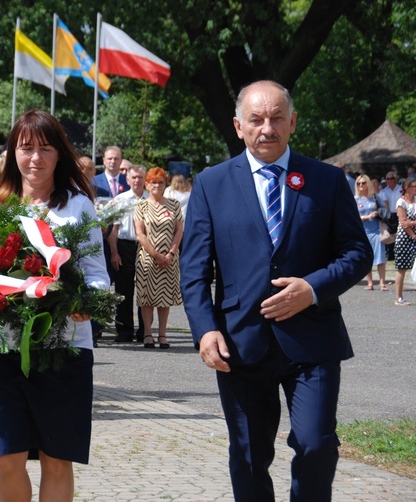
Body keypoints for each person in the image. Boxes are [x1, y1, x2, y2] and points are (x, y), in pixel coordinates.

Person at [180, 80, 372, 501]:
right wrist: (204, 329)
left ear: (293, 122)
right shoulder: (211, 184)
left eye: (276, 118)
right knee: (249, 455)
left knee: (316, 444)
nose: (267, 128)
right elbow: (193, 269)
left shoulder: (327, 180)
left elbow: (358, 253)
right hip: (240, 344)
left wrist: (313, 287)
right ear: (238, 126)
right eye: (256, 119)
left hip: (313, 341)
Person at [0, 109, 108, 501]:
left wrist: (86, 301)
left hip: (65, 348)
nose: (35, 158)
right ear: (13, 152)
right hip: (5, 348)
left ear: (59, 154)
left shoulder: (78, 207)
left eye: (45, 149)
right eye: (26, 147)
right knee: (6, 457)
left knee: (56, 457)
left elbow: (97, 272)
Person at [134, 167, 183, 349]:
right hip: (148, 258)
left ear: (165, 184)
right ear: (147, 184)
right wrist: (156, 255)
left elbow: (179, 231)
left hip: (170, 257)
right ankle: (147, 333)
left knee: (165, 297)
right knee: (147, 297)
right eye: (153, 182)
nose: (157, 185)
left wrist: (170, 254)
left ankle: (162, 334)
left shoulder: (174, 204)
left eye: (160, 182)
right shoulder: (141, 206)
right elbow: (140, 234)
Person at [108, 164, 148, 343]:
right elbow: (113, 231)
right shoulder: (120, 199)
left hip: (146, 247)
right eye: (134, 177)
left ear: (145, 179)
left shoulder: (152, 199)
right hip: (124, 246)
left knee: (146, 291)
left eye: (140, 177)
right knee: (123, 291)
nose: (137, 180)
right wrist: (114, 253)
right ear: (128, 179)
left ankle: (145, 332)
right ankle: (124, 332)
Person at [354, 175, 388, 291]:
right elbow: (353, 217)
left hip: (376, 230)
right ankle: (370, 283)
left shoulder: (374, 197)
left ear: (368, 183)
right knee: (366, 257)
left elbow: (384, 209)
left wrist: (378, 213)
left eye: (363, 183)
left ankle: (382, 283)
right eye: (359, 183)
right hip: (362, 232)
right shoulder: (355, 199)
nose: (361, 185)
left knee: (380, 258)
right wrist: (367, 216)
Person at [393, 178, 416, 306]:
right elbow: (403, 223)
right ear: (407, 188)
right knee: (402, 267)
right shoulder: (401, 202)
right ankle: (399, 297)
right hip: (404, 237)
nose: (415, 188)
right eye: (413, 186)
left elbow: (408, 222)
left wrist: (411, 222)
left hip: (413, 234)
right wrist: (413, 236)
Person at [381, 171, 402, 260]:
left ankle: (400, 254)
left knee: (400, 234)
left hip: (399, 213)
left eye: (392, 178)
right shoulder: (384, 191)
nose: (390, 180)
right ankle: (391, 255)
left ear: (396, 179)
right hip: (389, 215)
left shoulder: (401, 189)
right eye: (388, 179)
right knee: (390, 235)